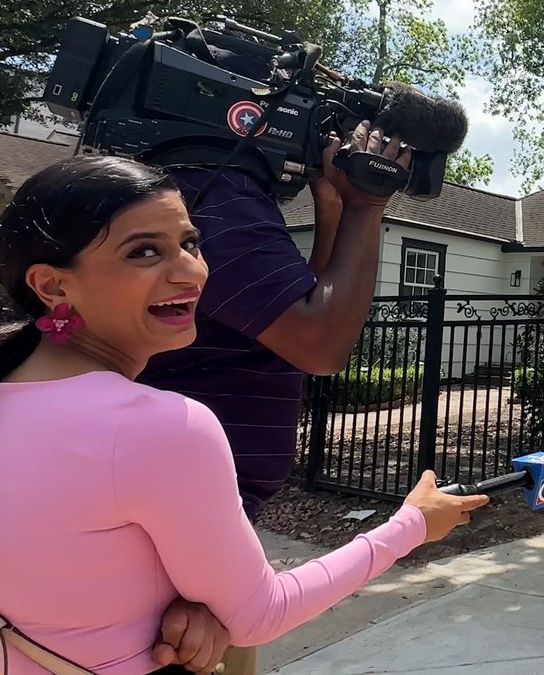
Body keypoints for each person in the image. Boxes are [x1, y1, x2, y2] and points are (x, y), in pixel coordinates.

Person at [0, 155, 489, 675]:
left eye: (191, 244)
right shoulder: (159, 426)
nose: (190, 271)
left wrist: (186, 604)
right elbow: (263, 614)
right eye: (145, 252)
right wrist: (412, 524)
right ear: (53, 286)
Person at [135, 120, 413, 673]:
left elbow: (299, 311)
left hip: (203, 535)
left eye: (193, 248)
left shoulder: (210, 197)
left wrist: (332, 210)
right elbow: (320, 343)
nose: (190, 262)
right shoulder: (216, 198)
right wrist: (368, 206)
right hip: (173, 550)